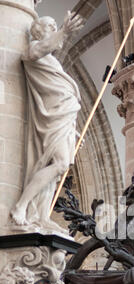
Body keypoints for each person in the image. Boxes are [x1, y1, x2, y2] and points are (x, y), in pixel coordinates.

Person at [11, 12, 84, 228]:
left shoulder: (52, 61)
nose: (55, 29)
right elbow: (36, 51)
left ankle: (40, 215)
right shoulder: (34, 51)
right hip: (50, 118)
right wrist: (64, 31)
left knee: (56, 167)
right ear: (39, 32)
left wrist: (74, 128)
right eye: (51, 27)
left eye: (55, 26)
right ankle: (20, 206)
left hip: (63, 118)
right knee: (60, 163)